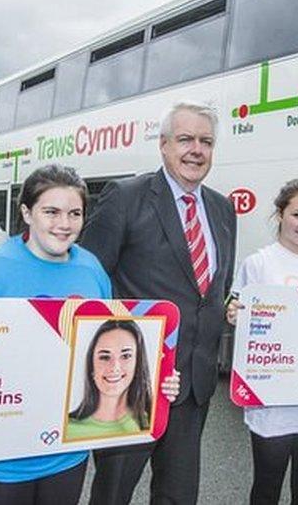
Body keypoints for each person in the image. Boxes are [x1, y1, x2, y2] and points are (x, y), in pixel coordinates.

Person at [0, 165, 179, 505]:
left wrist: (158, 379)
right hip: (0, 459)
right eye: (51, 212)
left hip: (65, 454)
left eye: (75, 213)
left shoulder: (92, 270)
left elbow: (111, 342)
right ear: (26, 213)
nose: (64, 224)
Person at [79, 100, 237, 505]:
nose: (196, 150)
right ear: (164, 145)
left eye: (206, 141)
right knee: (113, 494)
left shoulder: (222, 209)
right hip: (131, 382)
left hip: (193, 385)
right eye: (185, 139)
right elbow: (89, 282)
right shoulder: (125, 197)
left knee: (178, 495)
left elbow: (216, 287)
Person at [226, 178, 298, 505]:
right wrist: (235, 313)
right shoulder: (259, 263)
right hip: (272, 400)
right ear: (280, 213)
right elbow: (235, 307)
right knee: (266, 489)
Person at [67, 319, 153, 440]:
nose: (115, 368)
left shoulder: (150, 422)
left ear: (138, 364)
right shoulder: (67, 427)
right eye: (105, 357)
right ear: (91, 366)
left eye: (126, 356)